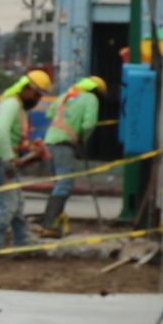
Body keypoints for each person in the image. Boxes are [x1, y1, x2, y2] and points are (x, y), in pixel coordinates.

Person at [0, 71, 50, 251]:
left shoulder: (18, 106)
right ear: (27, 89)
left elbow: (13, 135)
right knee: (7, 205)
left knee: (17, 203)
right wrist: (10, 158)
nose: (38, 99)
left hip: (4, 158)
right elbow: (0, 130)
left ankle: (22, 242)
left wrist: (31, 147)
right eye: (36, 94)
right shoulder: (12, 104)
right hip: (0, 160)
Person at [41, 74, 105, 236]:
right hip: (65, 144)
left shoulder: (66, 95)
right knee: (64, 184)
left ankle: (53, 224)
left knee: (58, 184)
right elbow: (89, 123)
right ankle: (49, 225)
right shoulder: (91, 99)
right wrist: (82, 138)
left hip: (49, 142)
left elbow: (49, 114)